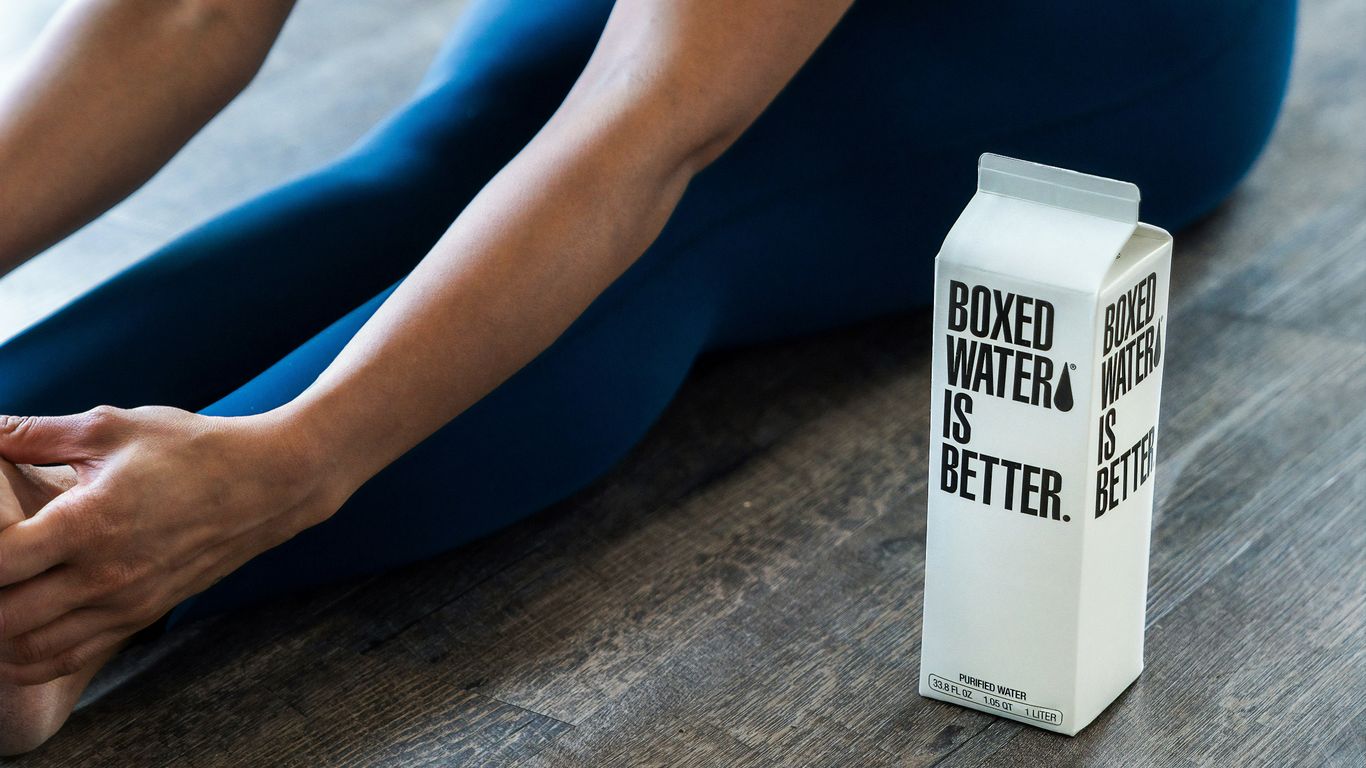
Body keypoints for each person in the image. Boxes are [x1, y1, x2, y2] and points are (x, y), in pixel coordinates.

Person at [0, 0, 1294, 754]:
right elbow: (183, 12)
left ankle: (52, 603)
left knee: (684, 217)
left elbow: (655, 132)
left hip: (1075, 42)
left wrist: (288, 466)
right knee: (449, 147)